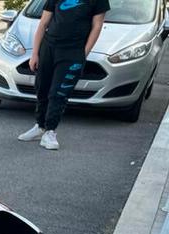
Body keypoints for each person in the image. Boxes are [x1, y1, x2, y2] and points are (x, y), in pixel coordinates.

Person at [18, 0, 109, 150]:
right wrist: (35, 53)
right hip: (48, 47)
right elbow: (43, 23)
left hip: (73, 51)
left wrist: (83, 53)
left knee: (59, 92)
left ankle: (50, 131)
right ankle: (40, 127)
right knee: (42, 88)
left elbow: (97, 26)